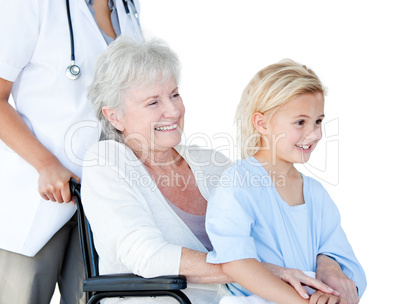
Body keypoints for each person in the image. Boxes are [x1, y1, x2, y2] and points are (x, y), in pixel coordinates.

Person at [81, 37, 351, 304]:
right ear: (114, 116)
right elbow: (148, 256)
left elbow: (283, 228)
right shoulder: (106, 162)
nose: (173, 110)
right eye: (153, 102)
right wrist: (254, 271)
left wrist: (329, 265)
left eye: (175, 94)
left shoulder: (213, 163)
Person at [0, 1, 142, 303]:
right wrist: (45, 164)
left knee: (96, 298)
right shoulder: (30, 5)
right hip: (39, 192)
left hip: (106, 195)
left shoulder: (128, 7)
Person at [205, 59, 367, 304]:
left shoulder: (315, 193)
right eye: (300, 122)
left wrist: (331, 272)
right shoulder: (238, 184)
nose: (314, 134)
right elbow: (236, 263)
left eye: (318, 121)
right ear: (261, 123)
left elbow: (343, 260)